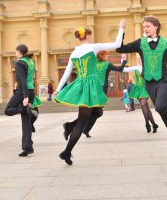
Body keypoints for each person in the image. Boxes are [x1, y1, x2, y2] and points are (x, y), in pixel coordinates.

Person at [116, 15, 167, 164]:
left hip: (164, 81)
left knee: (159, 107)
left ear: (155, 26)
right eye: (144, 27)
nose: (145, 29)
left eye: (147, 26)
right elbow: (120, 48)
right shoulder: (141, 43)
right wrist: (121, 30)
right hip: (149, 84)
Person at [53, 20, 125, 165]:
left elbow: (67, 73)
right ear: (88, 35)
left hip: (82, 83)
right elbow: (117, 45)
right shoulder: (93, 47)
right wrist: (121, 29)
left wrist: (58, 89)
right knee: (81, 123)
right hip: (90, 85)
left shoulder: (74, 52)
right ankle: (66, 152)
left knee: (98, 112)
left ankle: (69, 126)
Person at [62, 51, 127, 138]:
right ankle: (72, 126)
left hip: (93, 88)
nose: (108, 56)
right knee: (96, 112)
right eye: (107, 55)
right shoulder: (107, 64)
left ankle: (75, 127)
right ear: (103, 56)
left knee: (94, 112)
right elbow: (120, 69)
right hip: (101, 90)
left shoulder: (93, 64)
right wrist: (124, 61)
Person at [4, 44, 41, 157]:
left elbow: (23, 81)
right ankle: (27, 147)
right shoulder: (30, 61)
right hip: (31, 90)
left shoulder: (20, 63)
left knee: (8, 110)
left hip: (22, 91)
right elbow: (31, 79)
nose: (15, 53)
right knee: (26, 120)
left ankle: (25, 109)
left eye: (16, 51)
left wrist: (25, 97)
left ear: (19, 51)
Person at [123, 55, 159, 133]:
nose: (139, 60)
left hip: (146, 88)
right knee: (146, 108)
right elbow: (124, 69)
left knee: (143, 104)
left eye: (141, 58)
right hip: (138, 89)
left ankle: (147, 124)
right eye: (138, 59)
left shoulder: (148, 67)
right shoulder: (136, 67)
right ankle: (154, 124)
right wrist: (123, 59)